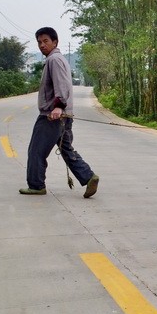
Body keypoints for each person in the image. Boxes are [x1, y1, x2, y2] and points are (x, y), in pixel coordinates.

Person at [19, 27, 99, 198]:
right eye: (39, 42)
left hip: (52, 116)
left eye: (45, 41)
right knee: (67, 150)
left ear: (55, 42)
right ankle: (89, 176)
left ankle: (36, 185)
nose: (42, 45)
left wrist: (58, 106)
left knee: (36, 151)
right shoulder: (58, 59)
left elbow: (61, 86)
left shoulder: (54, 60)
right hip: (64, 117)